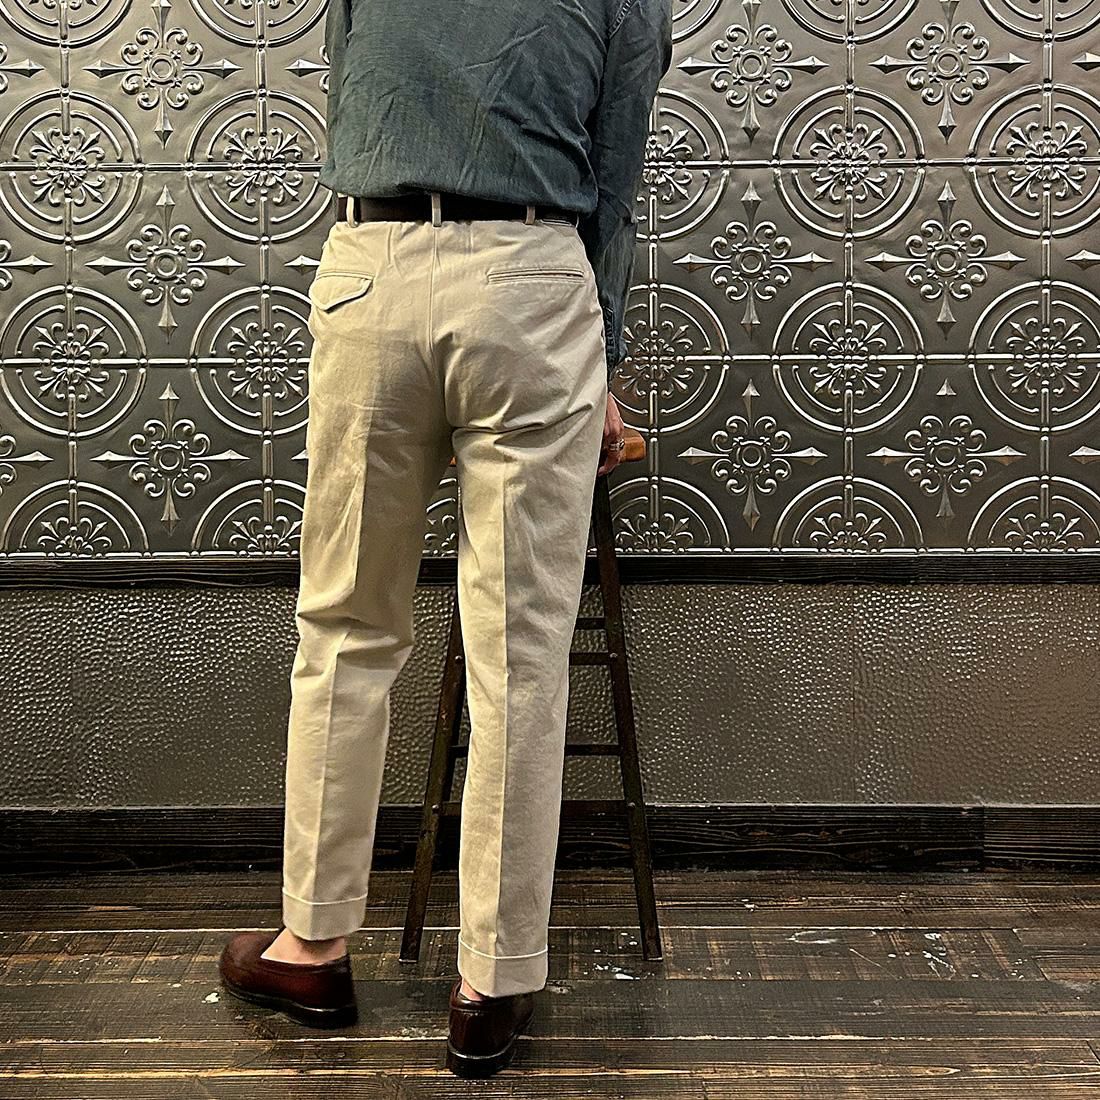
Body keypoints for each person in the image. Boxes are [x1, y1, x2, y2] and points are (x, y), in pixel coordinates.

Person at [219, 0, 673, 1078]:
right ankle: (492, 981)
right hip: (529, 278)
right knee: (519, 654)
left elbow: (353, 97)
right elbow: (614, 176)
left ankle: (311, 945)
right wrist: (600, 355)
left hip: (372, 260)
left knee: (343, 626)